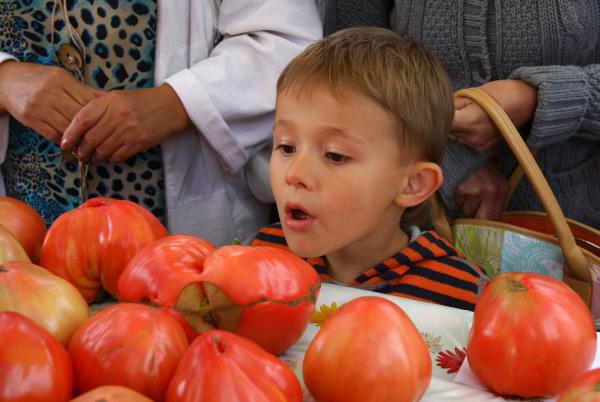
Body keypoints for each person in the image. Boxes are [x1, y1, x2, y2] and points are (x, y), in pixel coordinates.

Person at [0, 0, 321, 245]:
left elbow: (286, 41)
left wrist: (177, 104)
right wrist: (6, 79)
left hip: (181, 244)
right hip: (19, 239)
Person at [252, 28, 485, 311]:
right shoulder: (262, 257)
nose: (295, 174)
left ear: (413, 183)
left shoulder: (460, 293)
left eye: (335, 155)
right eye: (287, 147)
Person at [321, 0, 600, 229]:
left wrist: (535, 99)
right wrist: (448, 154)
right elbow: (350, 67)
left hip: (576, 231)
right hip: (415, 224)